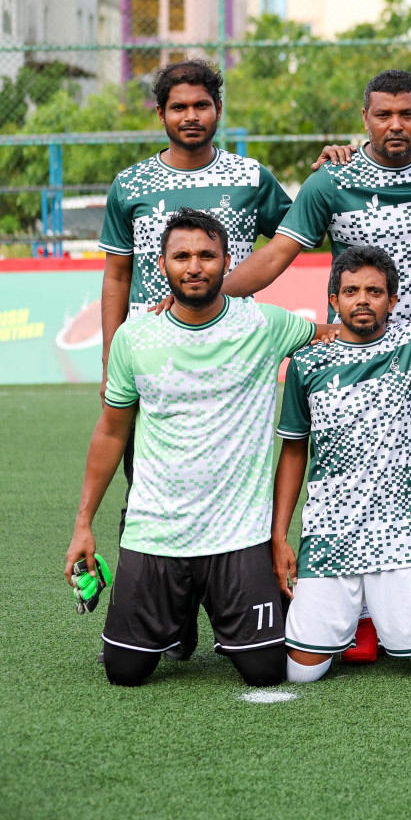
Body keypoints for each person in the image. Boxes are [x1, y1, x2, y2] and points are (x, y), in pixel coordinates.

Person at [220, 69, 411, 662]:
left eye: (407, 114)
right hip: (354, 368)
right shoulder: (332, 180)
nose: (395, 125)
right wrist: (205, 297)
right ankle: (360, 615)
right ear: (365, 119)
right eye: (383, 114)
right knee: (356, 481)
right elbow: (279, 253)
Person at [65, 210, 323, 687]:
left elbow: (341, 334)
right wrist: (83, 525)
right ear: (161, 264)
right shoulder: (134, 336)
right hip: (156, 532)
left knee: (266, 671)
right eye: (181, 256)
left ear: (227, 261)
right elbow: (110, 432)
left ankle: (216, 606)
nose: (195, 266)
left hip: (238, 533)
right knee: (124, 673)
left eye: (207, 255)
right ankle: (177, 618)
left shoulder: (265, 324)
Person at [96, 59, 290, 660]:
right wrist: (112, 361)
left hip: (231, 360)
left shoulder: (249, 176)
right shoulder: (130, 185)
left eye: (201, 105)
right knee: (150, 487)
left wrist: (341, 160)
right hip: (160, 358)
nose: (190, 116)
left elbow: (298, 235)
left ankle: (240, 602)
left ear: (218, 109)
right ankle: (167, 618)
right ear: (161, 115)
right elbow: (116, 276)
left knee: (236, 487)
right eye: (178, 107)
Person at [275, 246, 411, 682]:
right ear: (333, 299)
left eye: (374, 291)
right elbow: (295, 449)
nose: (362, 299)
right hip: (330, 537)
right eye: (350, 290)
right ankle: (351, 622)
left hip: (404, 539)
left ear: (392, 301)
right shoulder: (307, 362)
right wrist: (280, 536)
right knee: (301, 674)